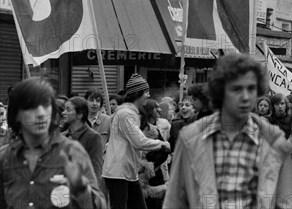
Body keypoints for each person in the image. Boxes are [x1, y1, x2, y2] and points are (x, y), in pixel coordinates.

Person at [163, 54, 292, 209]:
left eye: (251, 88)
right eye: (237, 89)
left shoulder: (275, 143)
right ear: (220, 92)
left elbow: (285, 202)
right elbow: (175, 201)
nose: (245, 97)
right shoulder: (191, 139)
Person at [0, 77, 106, 209]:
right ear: (16, 114)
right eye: (31, 107)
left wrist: (80, 187)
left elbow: (100, 205)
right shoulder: (5, 158)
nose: (40, 114)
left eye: (45, 106)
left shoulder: (71, 151)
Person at [102, 74, 170, 209]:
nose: (148, 95)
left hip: (128, 171)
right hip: (118, 172)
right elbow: (138, 141)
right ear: (137, 93)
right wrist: (162, 144)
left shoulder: (127, 112)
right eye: (146, 92)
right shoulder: (126, 114)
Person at [63, 96, 106, 194]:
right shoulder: (62, 136)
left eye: (68, 110)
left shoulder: (93, 137)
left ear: (79, 115)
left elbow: (96, 170)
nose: (63, 112)